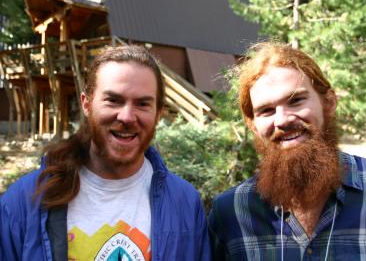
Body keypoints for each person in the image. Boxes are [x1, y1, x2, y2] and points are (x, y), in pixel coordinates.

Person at [0, 45, 211, 260]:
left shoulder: (184, 204)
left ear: (158, 113)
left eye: (142, 104)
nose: (127, 117)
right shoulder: (24, 202)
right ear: (87, 104)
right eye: (113, 100)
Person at [208, 42, 366, 260]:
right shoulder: (232, 213)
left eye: (296, 100)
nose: (282, 119)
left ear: (328, 102)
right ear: (252, 125)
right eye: (266, 111)